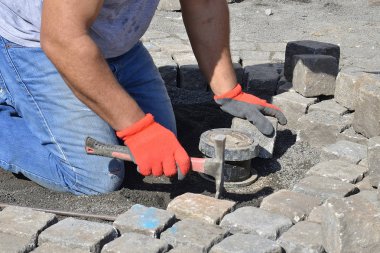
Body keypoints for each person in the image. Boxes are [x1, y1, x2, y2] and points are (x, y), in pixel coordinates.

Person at [0, 0, 286, 195]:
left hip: (117, 46)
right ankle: (14, 94)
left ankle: (31, 99)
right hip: (38, 43)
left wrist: (228, 90)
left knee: (163, 147)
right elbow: (63, 40)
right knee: (96, 178)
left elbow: (205, 4)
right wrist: (139, 129)